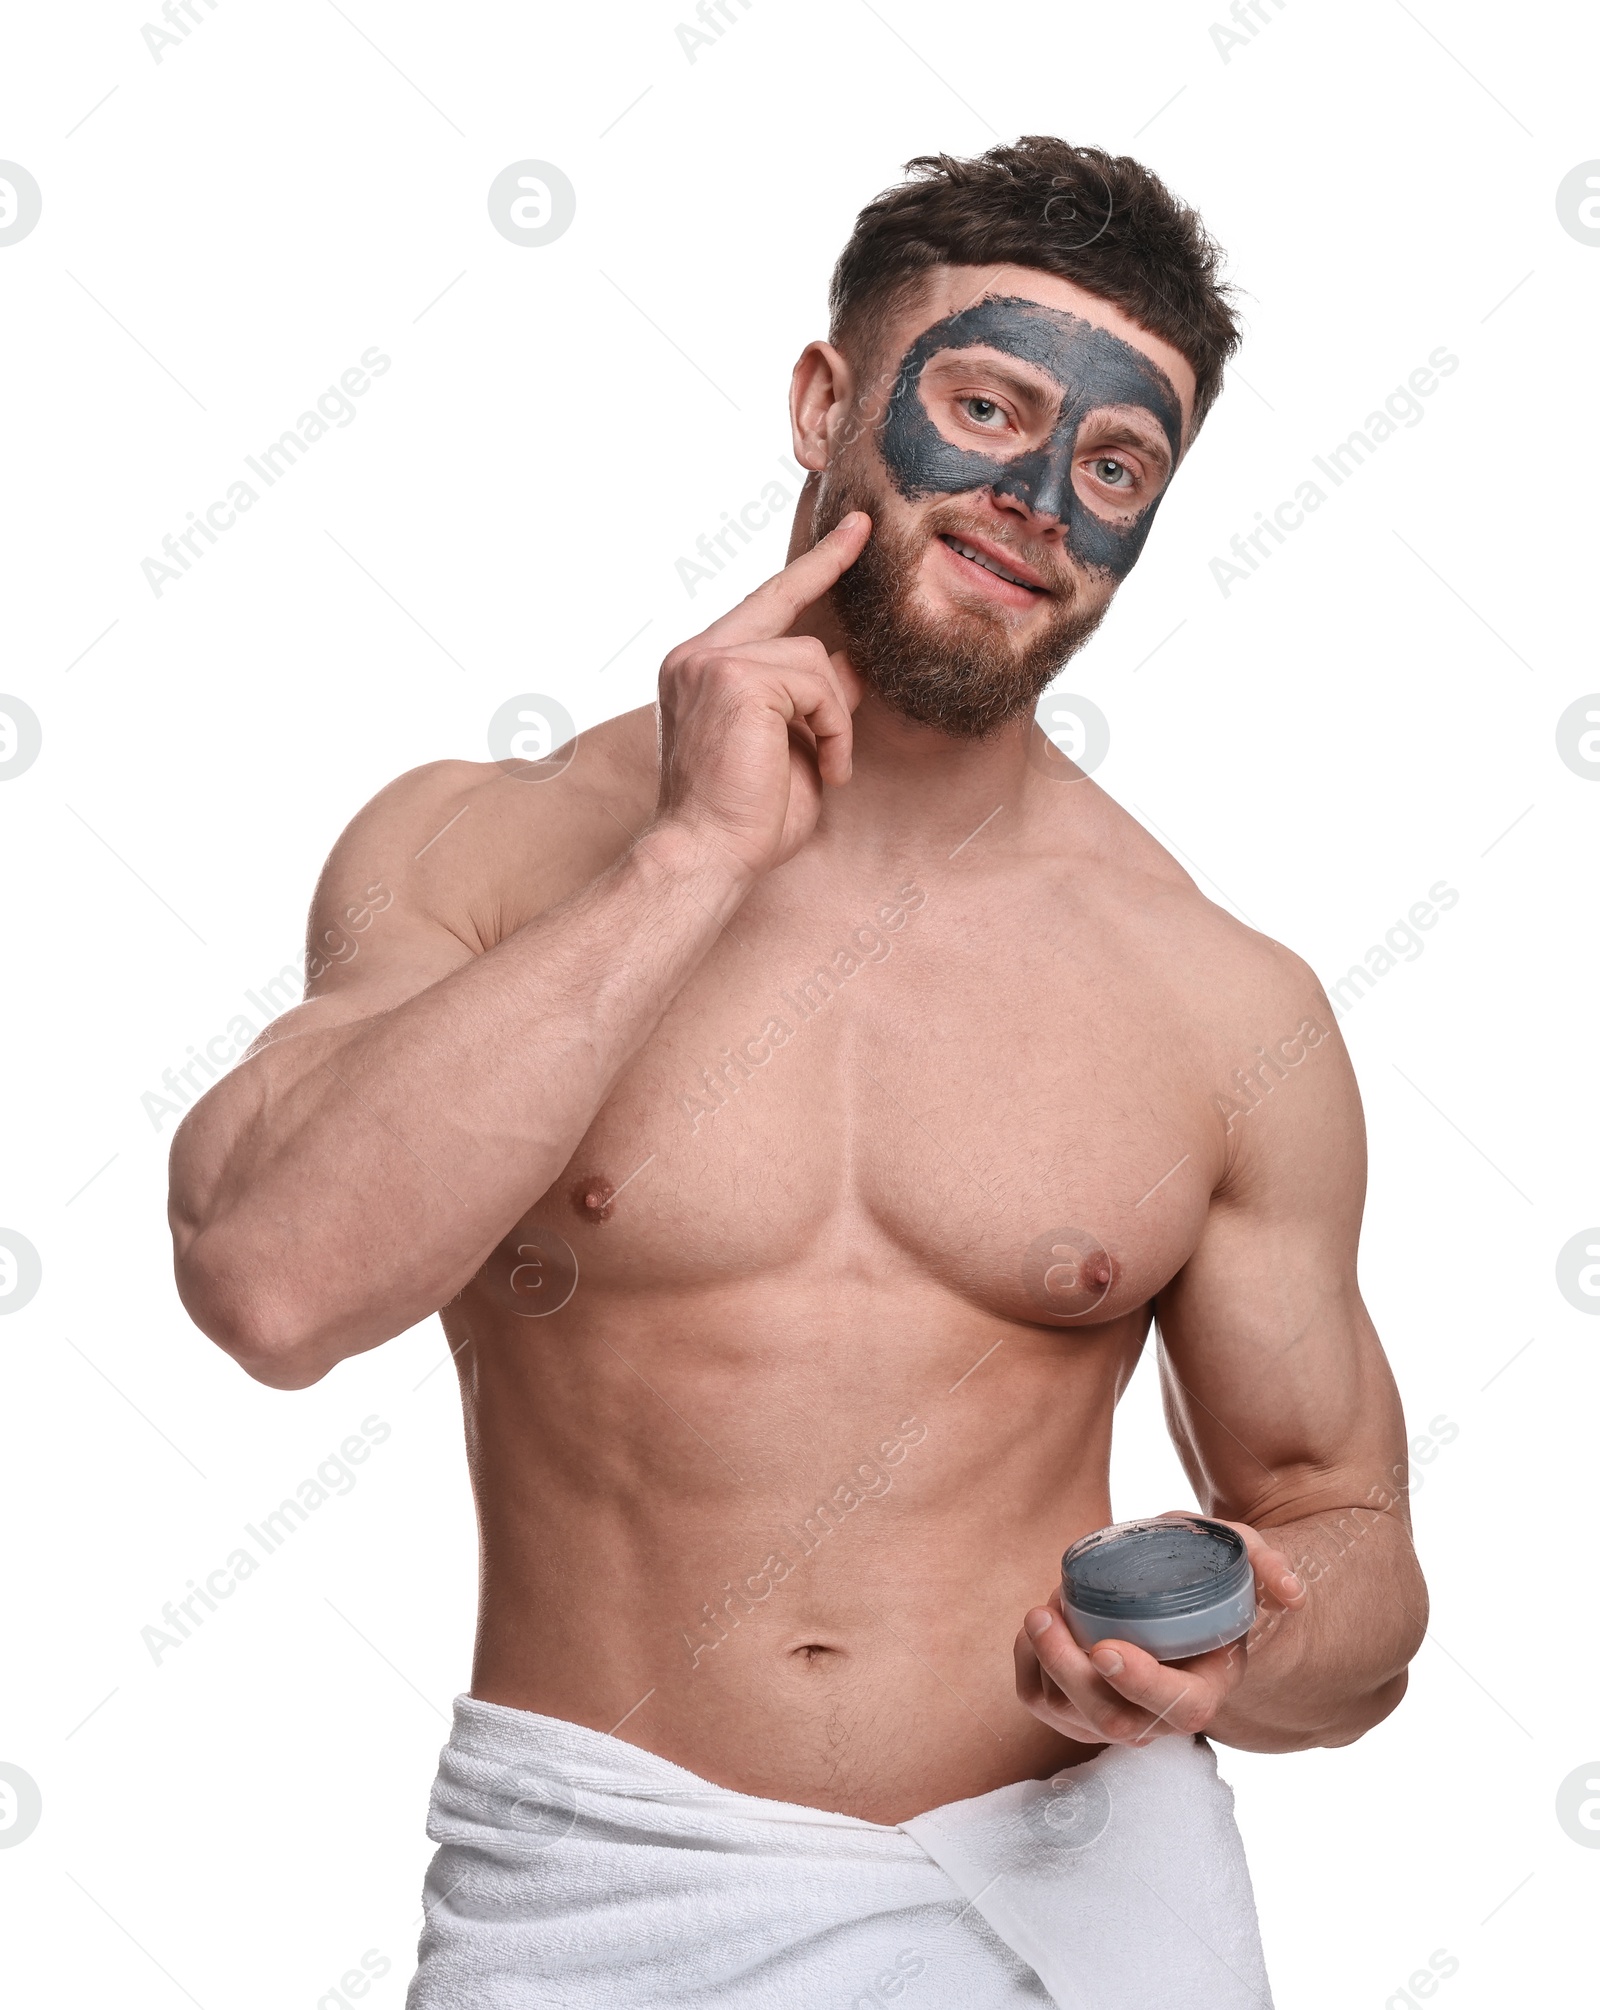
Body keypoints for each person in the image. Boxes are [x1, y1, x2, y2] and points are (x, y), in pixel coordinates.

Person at [169, 136, 1427, 2009]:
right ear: (827, 400)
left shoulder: (1216, 994)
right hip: (598, 1898)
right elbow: (269, 1284)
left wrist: (1246, 1642)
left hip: (1062, 1914)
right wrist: (687, 862)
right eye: (987, 404)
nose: (1035, 501)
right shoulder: (483, 853)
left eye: (1114, 465)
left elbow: (1359, 1556)